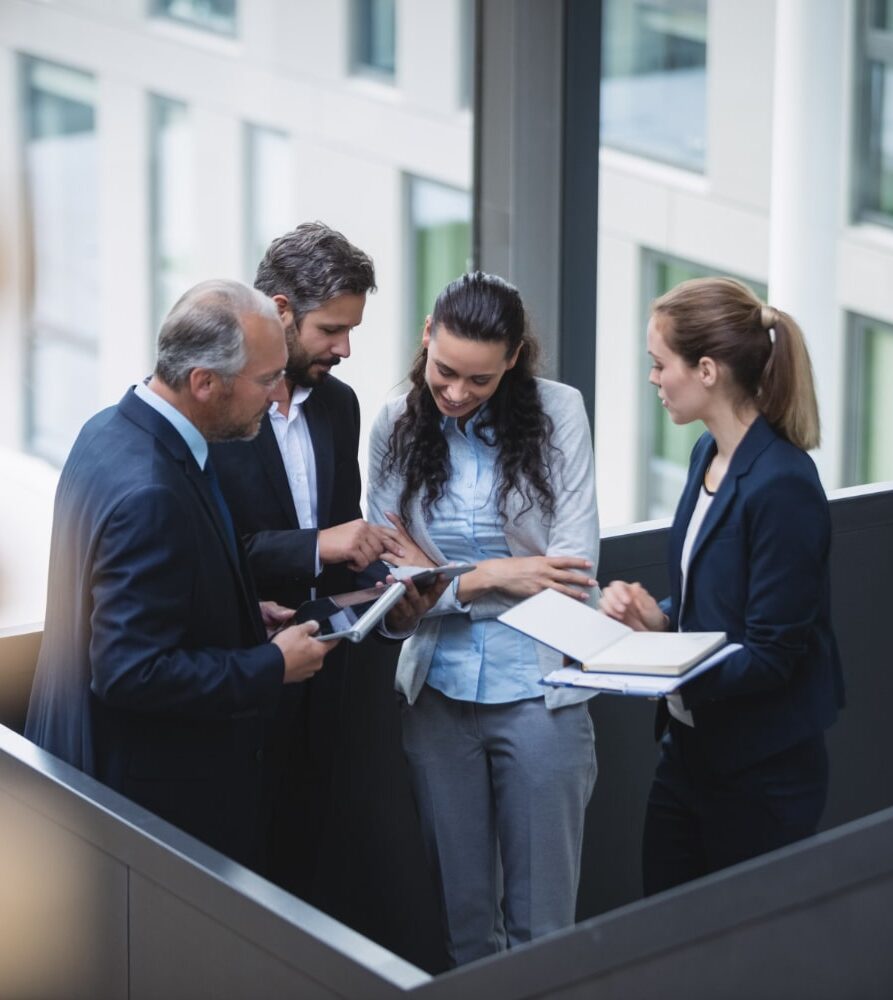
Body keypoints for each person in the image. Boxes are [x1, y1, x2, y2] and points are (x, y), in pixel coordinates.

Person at [25, 280, 335, 869]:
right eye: (267, 380)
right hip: (151, 806)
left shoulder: (107, 430)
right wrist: (270, 665)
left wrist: (243, 612)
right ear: (204, 382)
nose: (276, 400)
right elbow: (129, 671)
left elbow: (137, 597)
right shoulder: (151, 492)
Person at [366, 271, 600, 967]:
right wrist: (496, 574)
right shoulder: (393, 422)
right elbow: (389, 581)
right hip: (435, 697)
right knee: (465, 931)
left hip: (542, 697)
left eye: (480, 380)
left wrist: (440, 581)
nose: (458, 394)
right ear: (425, 340)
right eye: (445, 373)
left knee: (542, 933)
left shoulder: (560, 414)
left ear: (514, 362)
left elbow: (570, 579)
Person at [209, 222, 436, 902]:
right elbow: (213, 553)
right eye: (331, 330)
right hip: (238, 687)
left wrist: (394, 594)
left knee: (313, 882)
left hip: (328, 692)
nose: (344, 348)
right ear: (279, 310)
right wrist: (318, 544)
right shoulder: (214, 409)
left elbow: (345, 556)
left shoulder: (337, 405)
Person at [599, 276, 845, 896]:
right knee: (665, 940)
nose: (653, 379)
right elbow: (708, 606)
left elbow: (771, 654)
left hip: (761, 773)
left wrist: (656, 664)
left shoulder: (784, 484)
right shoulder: (707, 454)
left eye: (660, 365)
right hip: (688, 752)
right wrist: (654, 618)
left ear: (706, 370)